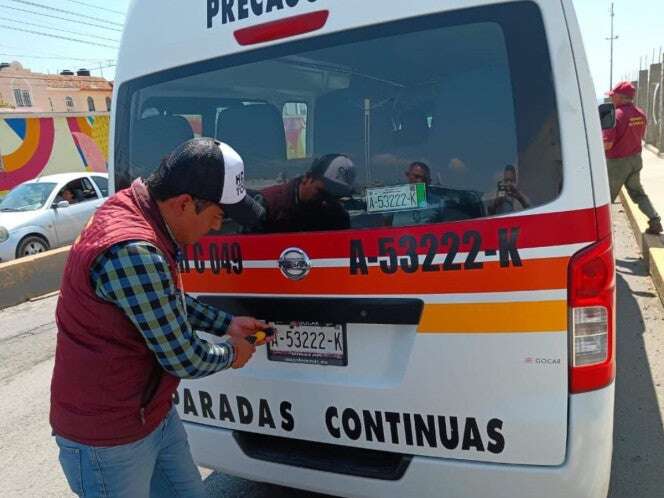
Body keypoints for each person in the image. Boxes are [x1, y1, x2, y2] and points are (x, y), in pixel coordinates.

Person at [50, 138, 269, 498]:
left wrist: (226, 324)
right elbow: (183, 357)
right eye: (217, 216)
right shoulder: (133, 249)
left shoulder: (136, 208)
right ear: (185, 203)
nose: (216, 228)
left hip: (151, 415)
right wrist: (234, 352)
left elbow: (161, 299)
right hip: (108, 439)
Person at [603, 81, 662, 234]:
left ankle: (600, 232)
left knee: (605, 197)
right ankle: (654, 220)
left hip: (617, 163)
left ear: (620, 97)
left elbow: (608, 144)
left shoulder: (616, 115)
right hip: (635, 159)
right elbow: (639, 136)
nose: (611, 99)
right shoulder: (640, 114)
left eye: (613, 96)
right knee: (637, 192)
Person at [252, 153, 356, 233]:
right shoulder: (268, 204)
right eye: (322, 193)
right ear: (307, 178)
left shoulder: (338, 216)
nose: (326, 202)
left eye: (335, 197)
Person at [391, 161, 445, 226]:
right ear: (408, 175)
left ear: (429, 181)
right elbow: (385, 224)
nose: (420, 181)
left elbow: (441, 226)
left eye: (424, 179)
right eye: (416, 176)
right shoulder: (393, 200)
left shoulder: (439, 203)